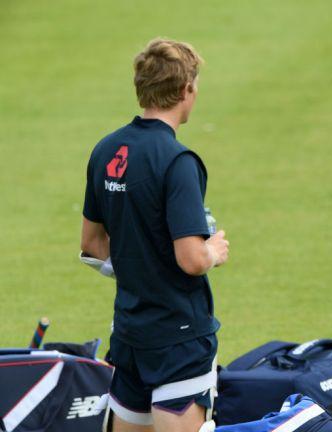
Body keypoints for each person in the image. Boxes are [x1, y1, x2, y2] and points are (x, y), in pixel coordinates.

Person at [80, 38, 228, 432]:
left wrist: (137, 265)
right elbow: (191, 259)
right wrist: (213, 250)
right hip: (178, 341)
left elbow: (92, 245)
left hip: (129, 334)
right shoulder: (178, 162)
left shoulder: (106, 151)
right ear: (185, 90)